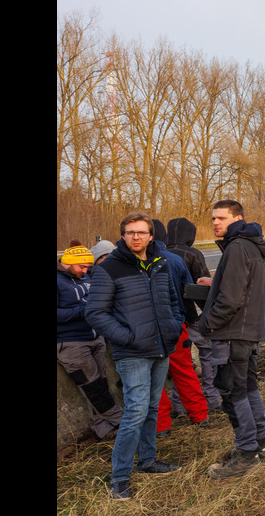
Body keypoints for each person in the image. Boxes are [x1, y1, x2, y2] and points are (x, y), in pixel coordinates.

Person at [86, 212, 184, 501]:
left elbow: (174, 301)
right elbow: (95, 313)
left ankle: (148, 460)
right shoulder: (110, 268)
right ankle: (119, 477)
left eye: (141, 232)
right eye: (130, 233)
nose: (136, 237)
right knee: (135, 412)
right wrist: (128, 337)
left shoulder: (161, 263)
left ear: (151, 236)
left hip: (161, 347)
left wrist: (173, 327)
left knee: (152, 408)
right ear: (123, 236)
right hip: (132, 353)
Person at [192, 200, 265, 479]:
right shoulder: (249, 245)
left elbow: (231, 300)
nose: (215, 223)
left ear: (238, 218)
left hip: (232, 334)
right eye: (213, 218)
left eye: (222, 218)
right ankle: (260, 445)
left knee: (232, 393)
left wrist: (205, 324)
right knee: (248, 389)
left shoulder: (237, 248)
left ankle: (246, 454)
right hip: (247, 332)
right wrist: (213, 285)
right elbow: (241, 290)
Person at [57, 241, 122, 441]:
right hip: (71, 342)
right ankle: (124, 421)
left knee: (100, 383)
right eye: (81, 267)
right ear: (68, 263)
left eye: (88, 267)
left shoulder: (85, 277)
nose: (85, 271)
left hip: (95, 337)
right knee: (92, 387)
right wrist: (86, 310)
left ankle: (102, 428)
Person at [151, 219, 209, 437]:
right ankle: (200, 415)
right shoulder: (176, 260)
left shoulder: (130, 262)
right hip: (177, 324)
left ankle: (162, 425)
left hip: (147, 329)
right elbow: (191, 290)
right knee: (185, 371)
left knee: (152, 379)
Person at [166, 217, 222, 414]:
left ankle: (179, 404)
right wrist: (211, 314)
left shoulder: (158, 254)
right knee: (208, 355)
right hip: (193, 315)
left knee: (181, 363)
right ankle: (211, 398)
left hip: (171, 319)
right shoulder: (192, 254)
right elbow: (203, 286)